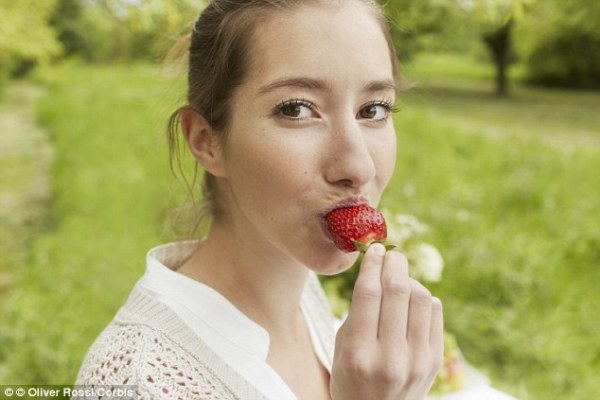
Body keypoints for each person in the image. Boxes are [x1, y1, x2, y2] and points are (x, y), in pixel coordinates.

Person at [75, 0, 444, 399]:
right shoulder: (135, 382)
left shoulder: (300, 290)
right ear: (206, 141)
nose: (358, 166)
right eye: (297, 109)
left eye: (373, 109)